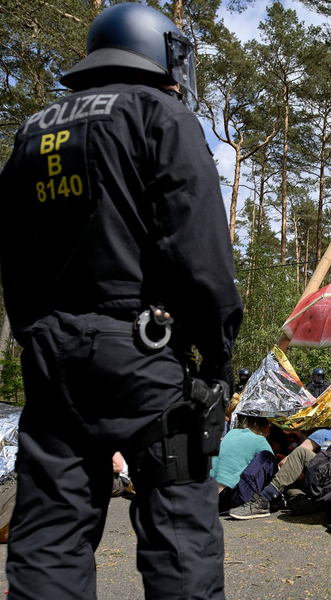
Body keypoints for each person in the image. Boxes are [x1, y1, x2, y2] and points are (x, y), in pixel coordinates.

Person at [0, 4, 243, 598]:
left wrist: (36, 335)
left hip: (54, 359)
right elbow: (198, 248)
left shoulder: (33, 131)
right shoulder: (160, 113)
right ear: (160, 53)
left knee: (50, 532)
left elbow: (14, 252)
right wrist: (217, 355)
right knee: (179, 532)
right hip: (144, 355)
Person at [211, 415, 277, 520]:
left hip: (209, 497)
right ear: (264, 427)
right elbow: (274, 472)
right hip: (231, 499)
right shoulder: (260, 440)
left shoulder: (231, 433)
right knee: (267, 457)